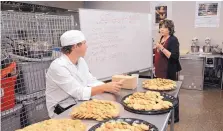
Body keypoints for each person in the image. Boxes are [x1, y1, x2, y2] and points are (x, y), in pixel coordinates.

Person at [45, 30, 123, 118]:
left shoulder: (80, 61)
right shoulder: (58, 67)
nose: (87, 46)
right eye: (84, 43)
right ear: (75, 46)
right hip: (62, 108)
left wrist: (110, 87)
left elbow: (90, 80)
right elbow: (78, 92)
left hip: (79, 101)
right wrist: (104, 87)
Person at [154, 19, 182, 123]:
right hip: (159, 70)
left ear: (170, 29)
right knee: (161, 94)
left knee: (171, 94)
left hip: (168, 70)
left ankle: (174, 117)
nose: (161, 29)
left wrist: (161, 48)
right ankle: (164, 114)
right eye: (160, 27)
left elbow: (174, 56)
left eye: (164, 27)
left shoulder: (173, 40)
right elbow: (158, 54)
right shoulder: (161, 38)